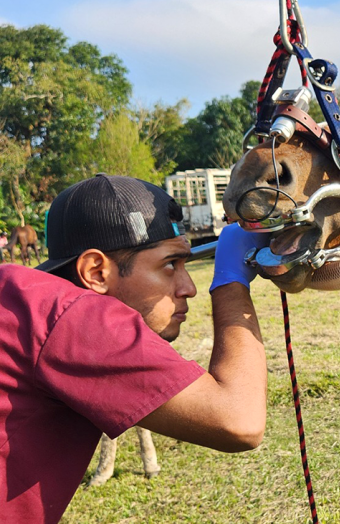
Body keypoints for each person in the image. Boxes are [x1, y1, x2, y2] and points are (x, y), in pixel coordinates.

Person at [0, 174, 270, 523]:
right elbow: (240, 420)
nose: (188, 288)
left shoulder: (25, 297)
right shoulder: (72, 316)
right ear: (95, 272)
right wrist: (230, 282)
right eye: (170, 264)